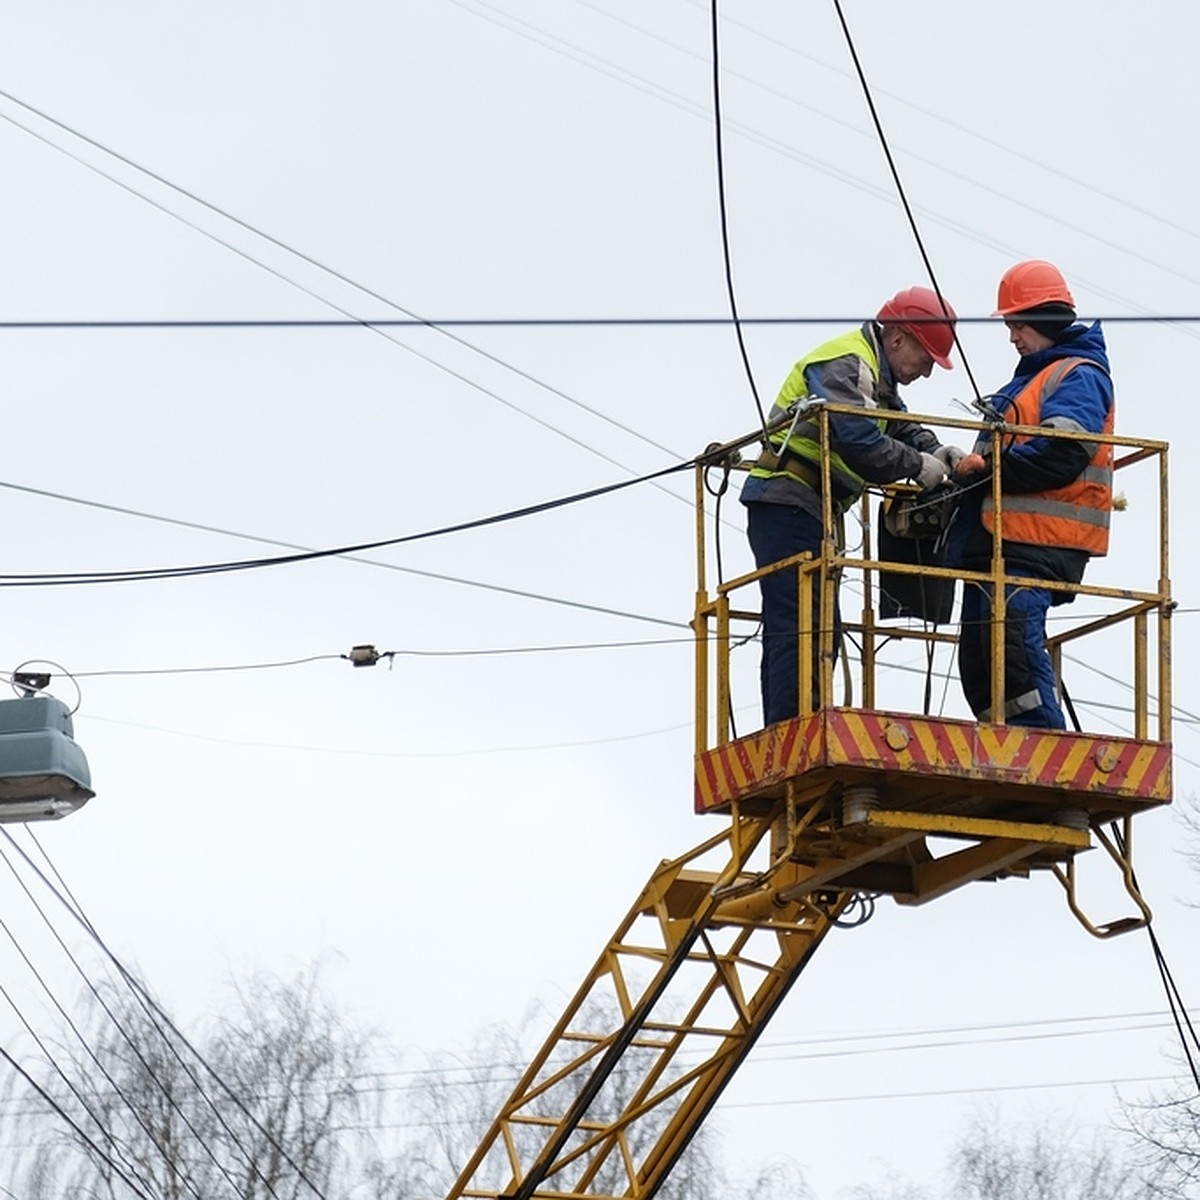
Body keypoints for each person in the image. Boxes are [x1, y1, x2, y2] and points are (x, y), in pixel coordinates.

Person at [740, 286, 961, 727]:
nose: (927, 372)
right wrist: (920, 466)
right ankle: (790, 734)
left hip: (807, 508)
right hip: (788, 501)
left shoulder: (874, 376)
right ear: (898, 338)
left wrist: (939, 452)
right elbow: (858, 441)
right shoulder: (848, 362)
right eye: (926, 358)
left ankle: (797, 726)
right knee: (803, 627)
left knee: (819, 630)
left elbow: (897, 425)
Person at [947, 259, 1115, 729]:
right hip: (1000, 544)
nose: (1012, 336)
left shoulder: (1077, 376)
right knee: (980, 666)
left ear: (1042, 319)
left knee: (1014, 644)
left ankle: (1047, 749)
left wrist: (990, 470)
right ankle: (1003, 748)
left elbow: (1063, 454)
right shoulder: (1030, 381)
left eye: (1017, 324)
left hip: (1039, 542)